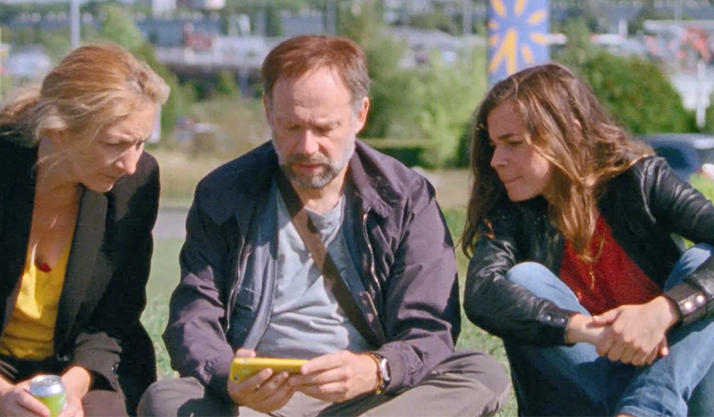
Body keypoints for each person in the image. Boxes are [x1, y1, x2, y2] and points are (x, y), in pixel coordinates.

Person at [138, 34, 509, 417]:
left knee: (481, 373)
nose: (307, 147)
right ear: (268, 110)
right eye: (291, 126)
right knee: (166, 400)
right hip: (258, 400)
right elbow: (194, 314)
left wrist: (377, 369)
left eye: (324, 129)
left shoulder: (406, 197)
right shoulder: (224, 192)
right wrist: (227, 377)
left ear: (360, 114)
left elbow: (429, 328)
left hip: (370, 398)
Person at [0, 43, 169, 417]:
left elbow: (116, 318)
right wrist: (1, 397)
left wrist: (72, 389)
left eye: (141, 143)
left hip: (83, 368)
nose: (131, 164)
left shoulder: (137, 182)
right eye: (116, 144)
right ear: (59, 130)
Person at [461, 62, 714, 416]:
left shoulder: (640, 181)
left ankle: (644, 409)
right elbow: (481, 293)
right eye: (493, 145)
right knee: (524, 278)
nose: (496, 160)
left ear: (570, 133)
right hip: (591, 393)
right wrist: (585, 330)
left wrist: (664, 311)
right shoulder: (509, 214)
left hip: (679, 384)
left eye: (513, 143)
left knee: (702, 258)